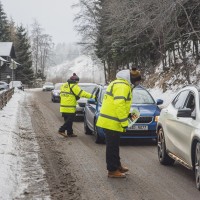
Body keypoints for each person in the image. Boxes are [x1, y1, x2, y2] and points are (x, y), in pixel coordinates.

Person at [96, 69, 142, 178]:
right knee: (112, 146)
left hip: (111, 121)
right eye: (136, 81)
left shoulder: (118, 83)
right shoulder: (123, 86)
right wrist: (124, 121)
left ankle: (117, 165)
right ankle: (112, 170)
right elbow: (119, 104)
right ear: (131, 79)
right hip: (112, 121)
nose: (137, 84)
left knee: (115, 145)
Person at [58, 73, 95, 137]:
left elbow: (61, 95)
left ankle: (70, 132)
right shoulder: (74, 86)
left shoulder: (64, 85)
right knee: (69, 120)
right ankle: (61, 130)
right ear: (76, 81)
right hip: (70, 106)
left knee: (67, 119)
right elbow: (82, 93)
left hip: (63, 106)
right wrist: (92, 96)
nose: (77, 83)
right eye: (77, 82)